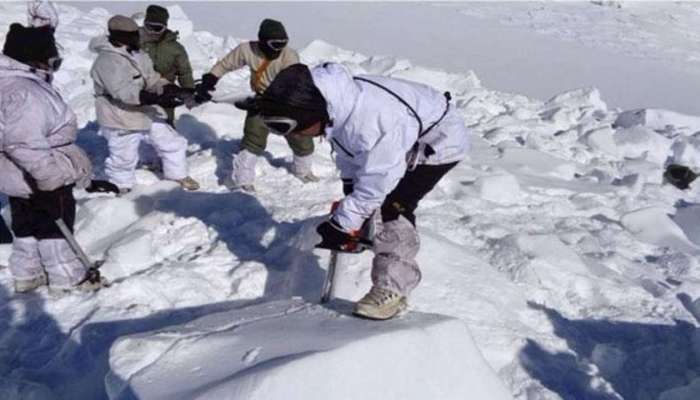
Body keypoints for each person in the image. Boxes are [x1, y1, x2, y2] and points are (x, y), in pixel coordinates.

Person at [257, 63, 470, 320]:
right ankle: (373, 235)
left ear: (312, 115)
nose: (293, 135)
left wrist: (344, 224)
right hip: (403, 134)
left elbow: (378, 178)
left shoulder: (376, 119)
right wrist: (350, 186)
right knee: (366, 198)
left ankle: (392, 290)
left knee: (392, 206)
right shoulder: (335, 105)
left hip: (438, 143)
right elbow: (350, 150)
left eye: (291, 127)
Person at [0, 23, 97, 292]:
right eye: (52, 61)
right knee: (53, 225)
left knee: (26, 224)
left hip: (15, 175)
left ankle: (27, 274)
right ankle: (67, 277)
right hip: (38, 172)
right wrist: (51, 183)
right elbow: (24, 145)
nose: (53, 68)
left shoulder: (11, 83)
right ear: (33, 59)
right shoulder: (26, 93)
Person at [194, 19, 317, 192]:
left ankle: (302, 171)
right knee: (253, 139)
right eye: (275, 44)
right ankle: (242, 179)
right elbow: (225, 65)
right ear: (262, 41)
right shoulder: (247, 50)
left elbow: (293, 84)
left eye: (283, 43)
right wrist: (210, 79)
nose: (279, 48)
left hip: (287, 102)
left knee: (301, 138)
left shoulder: (289, 56)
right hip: (260, 100)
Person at [90, 15, 200, 193]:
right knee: (124, 157)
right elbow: (123, 92)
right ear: (120, 36)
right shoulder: (107, 61)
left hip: (143, 110)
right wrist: (154, 98)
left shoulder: (137, 54)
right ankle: (122, 186)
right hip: (119, 115)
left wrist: (169, 89)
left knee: (173, 141)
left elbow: (152, 78)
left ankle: (177, 174)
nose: (137, 37)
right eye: (133, 34)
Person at [139, 4, 194, 127]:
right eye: (149, 27)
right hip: (138, 95)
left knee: (165, 129)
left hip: (166, 95)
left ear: (165, 28)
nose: (152, 32)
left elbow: (185, 72)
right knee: (136, 129)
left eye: (157, 28)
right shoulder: (134, 41)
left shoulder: (175, 48)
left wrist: (189, 92)